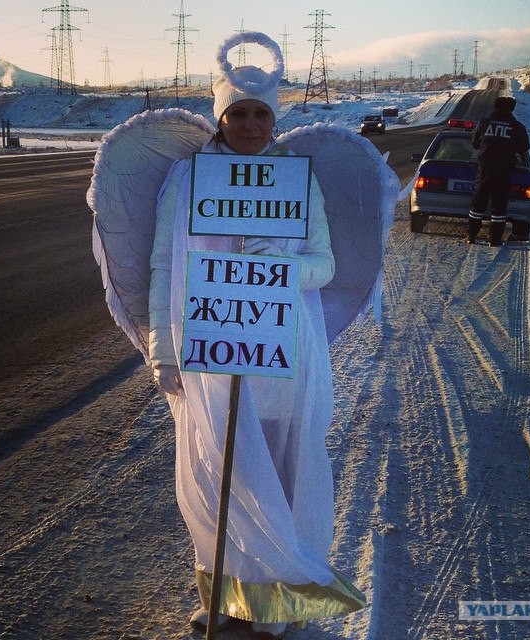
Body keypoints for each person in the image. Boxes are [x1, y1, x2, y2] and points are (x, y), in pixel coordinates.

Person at [148, 32, 365, 639]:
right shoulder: (188, 180)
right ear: (220, 117)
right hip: (211, 347)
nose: (249, 124)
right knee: (216, 471)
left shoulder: (298, 181)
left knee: (278, 465)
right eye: (237, 113)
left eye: (260, 113)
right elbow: (165, 264)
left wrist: (279, 265)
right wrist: (164, 348)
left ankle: (273, 602)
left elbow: (324, 265)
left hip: (282, 347)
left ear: (275, 117)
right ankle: (220, 592)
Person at [465, 96, 530, 246]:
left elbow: (475, 143)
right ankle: (494, 239)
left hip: (485, 170)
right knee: (499, 206)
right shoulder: (516, 127)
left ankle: (471, 235)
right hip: (504, 171)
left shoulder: (484, 123)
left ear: (496, 107)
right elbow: (524, 147)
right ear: (512, 109)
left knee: (478, 204)